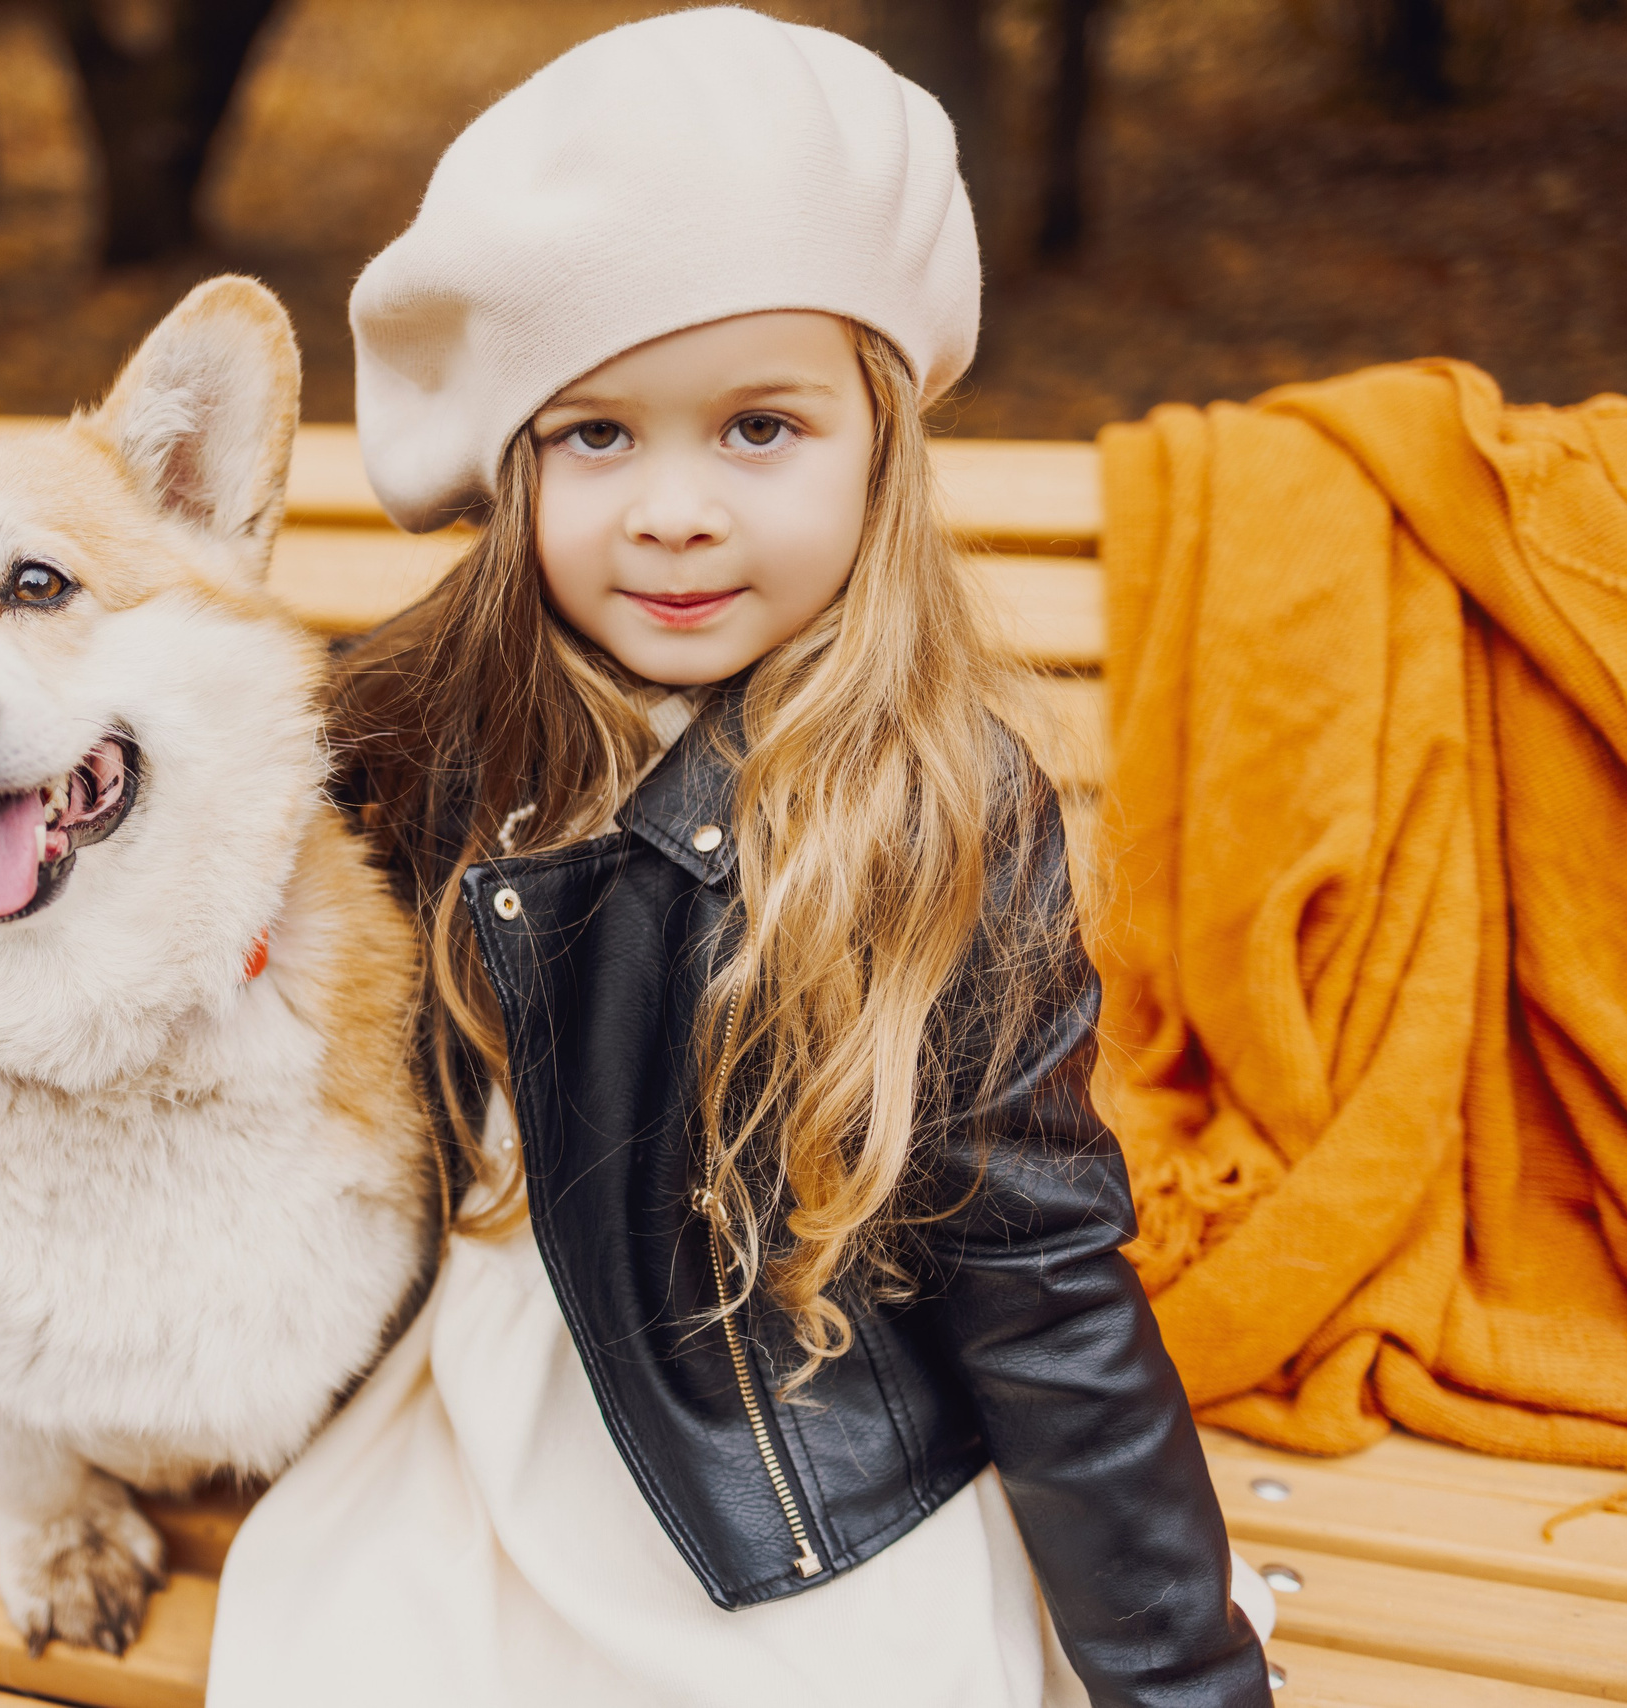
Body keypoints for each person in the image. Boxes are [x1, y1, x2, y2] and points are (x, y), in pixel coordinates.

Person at [208, 10, 1274, 1705]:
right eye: (599, 435)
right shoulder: (417, 720)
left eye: (758, 428)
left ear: (881, 444)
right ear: (512, 464)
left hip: (791, 1448)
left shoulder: (935, 804)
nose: (677, 509)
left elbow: (1041, 1281)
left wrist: (1184, 1678)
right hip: (482, 1385)